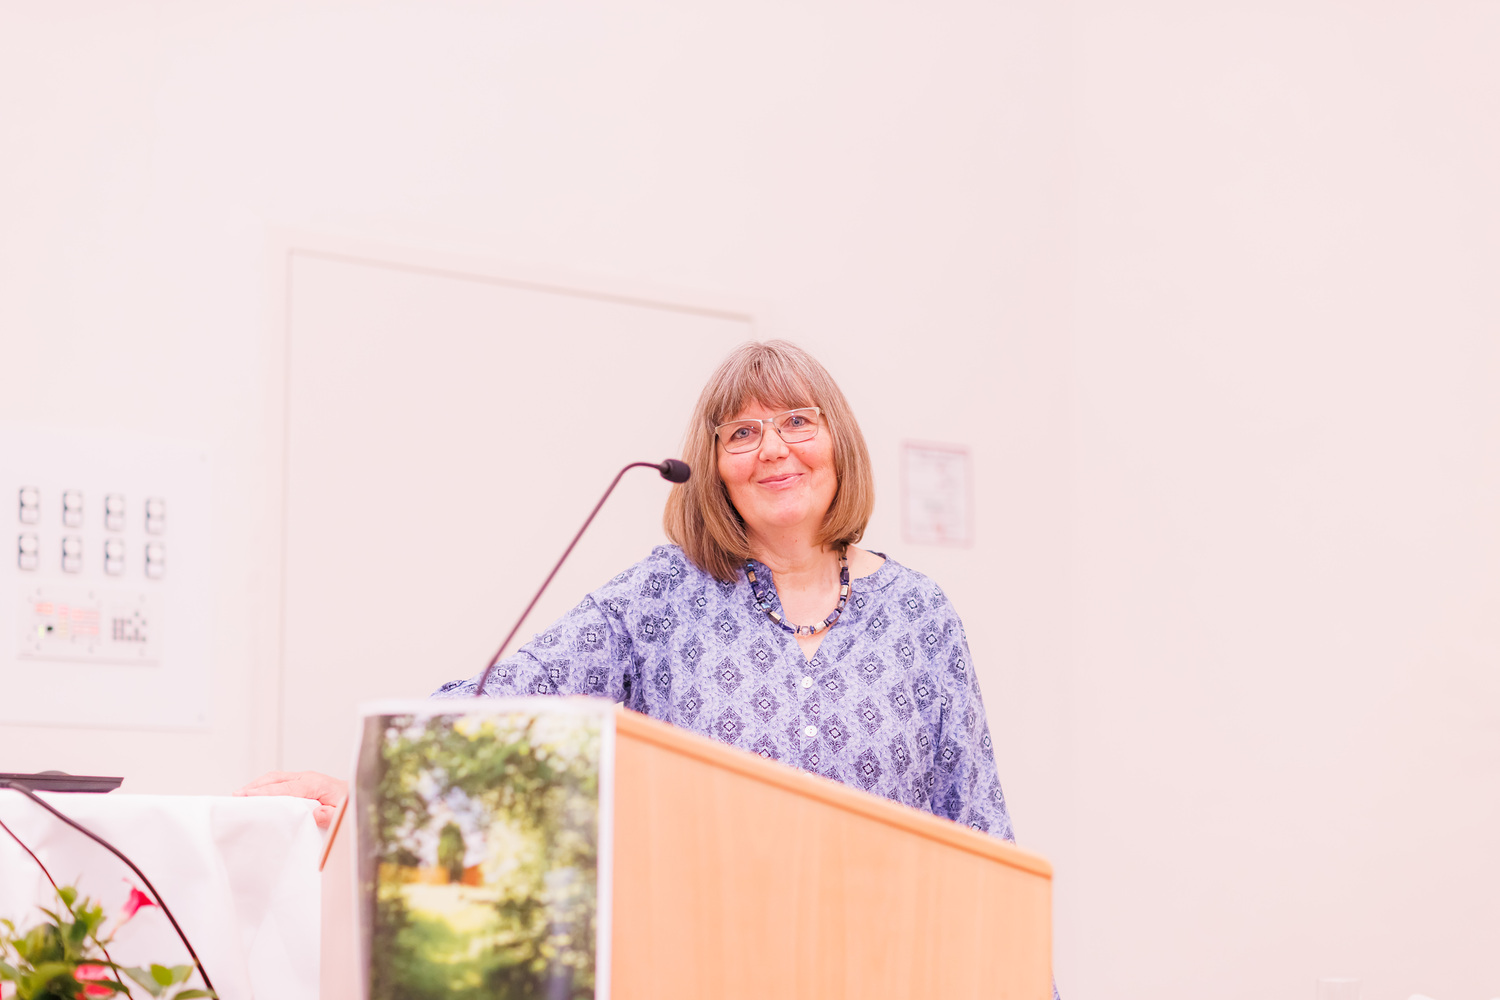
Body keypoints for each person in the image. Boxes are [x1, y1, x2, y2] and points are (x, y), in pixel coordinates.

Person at [237, 340, 1015, 843]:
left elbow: (979, 822)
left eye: (797, 422)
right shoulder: (662, 596)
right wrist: (372, 787)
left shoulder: (919, 614)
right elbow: (504, 700)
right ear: (714, 466)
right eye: (742, 433)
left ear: (838, 439)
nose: (773, 449)